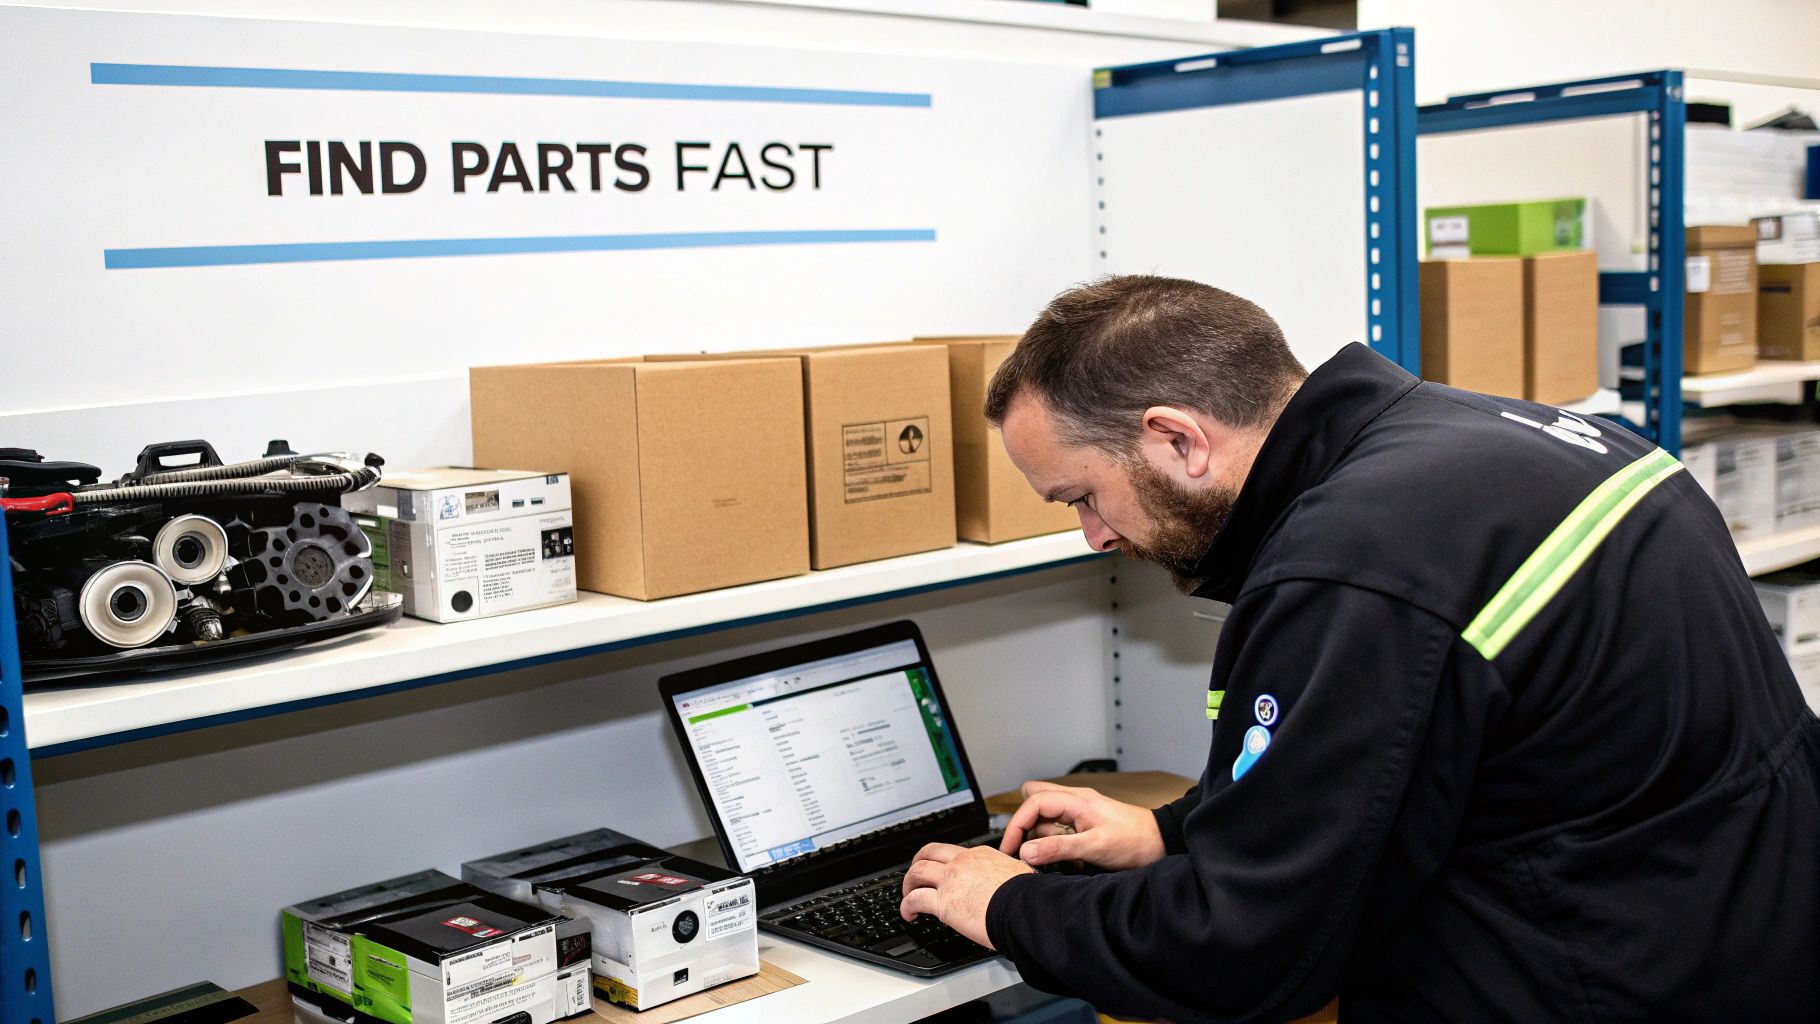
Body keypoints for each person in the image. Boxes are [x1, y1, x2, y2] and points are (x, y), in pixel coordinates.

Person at [896, 275, 1820, 1022]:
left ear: (1177, 439)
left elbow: (1245, 954)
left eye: (1081, 497)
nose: (1094, 537)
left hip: (1594, 976)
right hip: (1737, 936)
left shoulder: (1354, 567)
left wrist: (1007, 905)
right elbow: (1424, 766)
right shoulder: (1516, 438)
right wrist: (1166, 833)